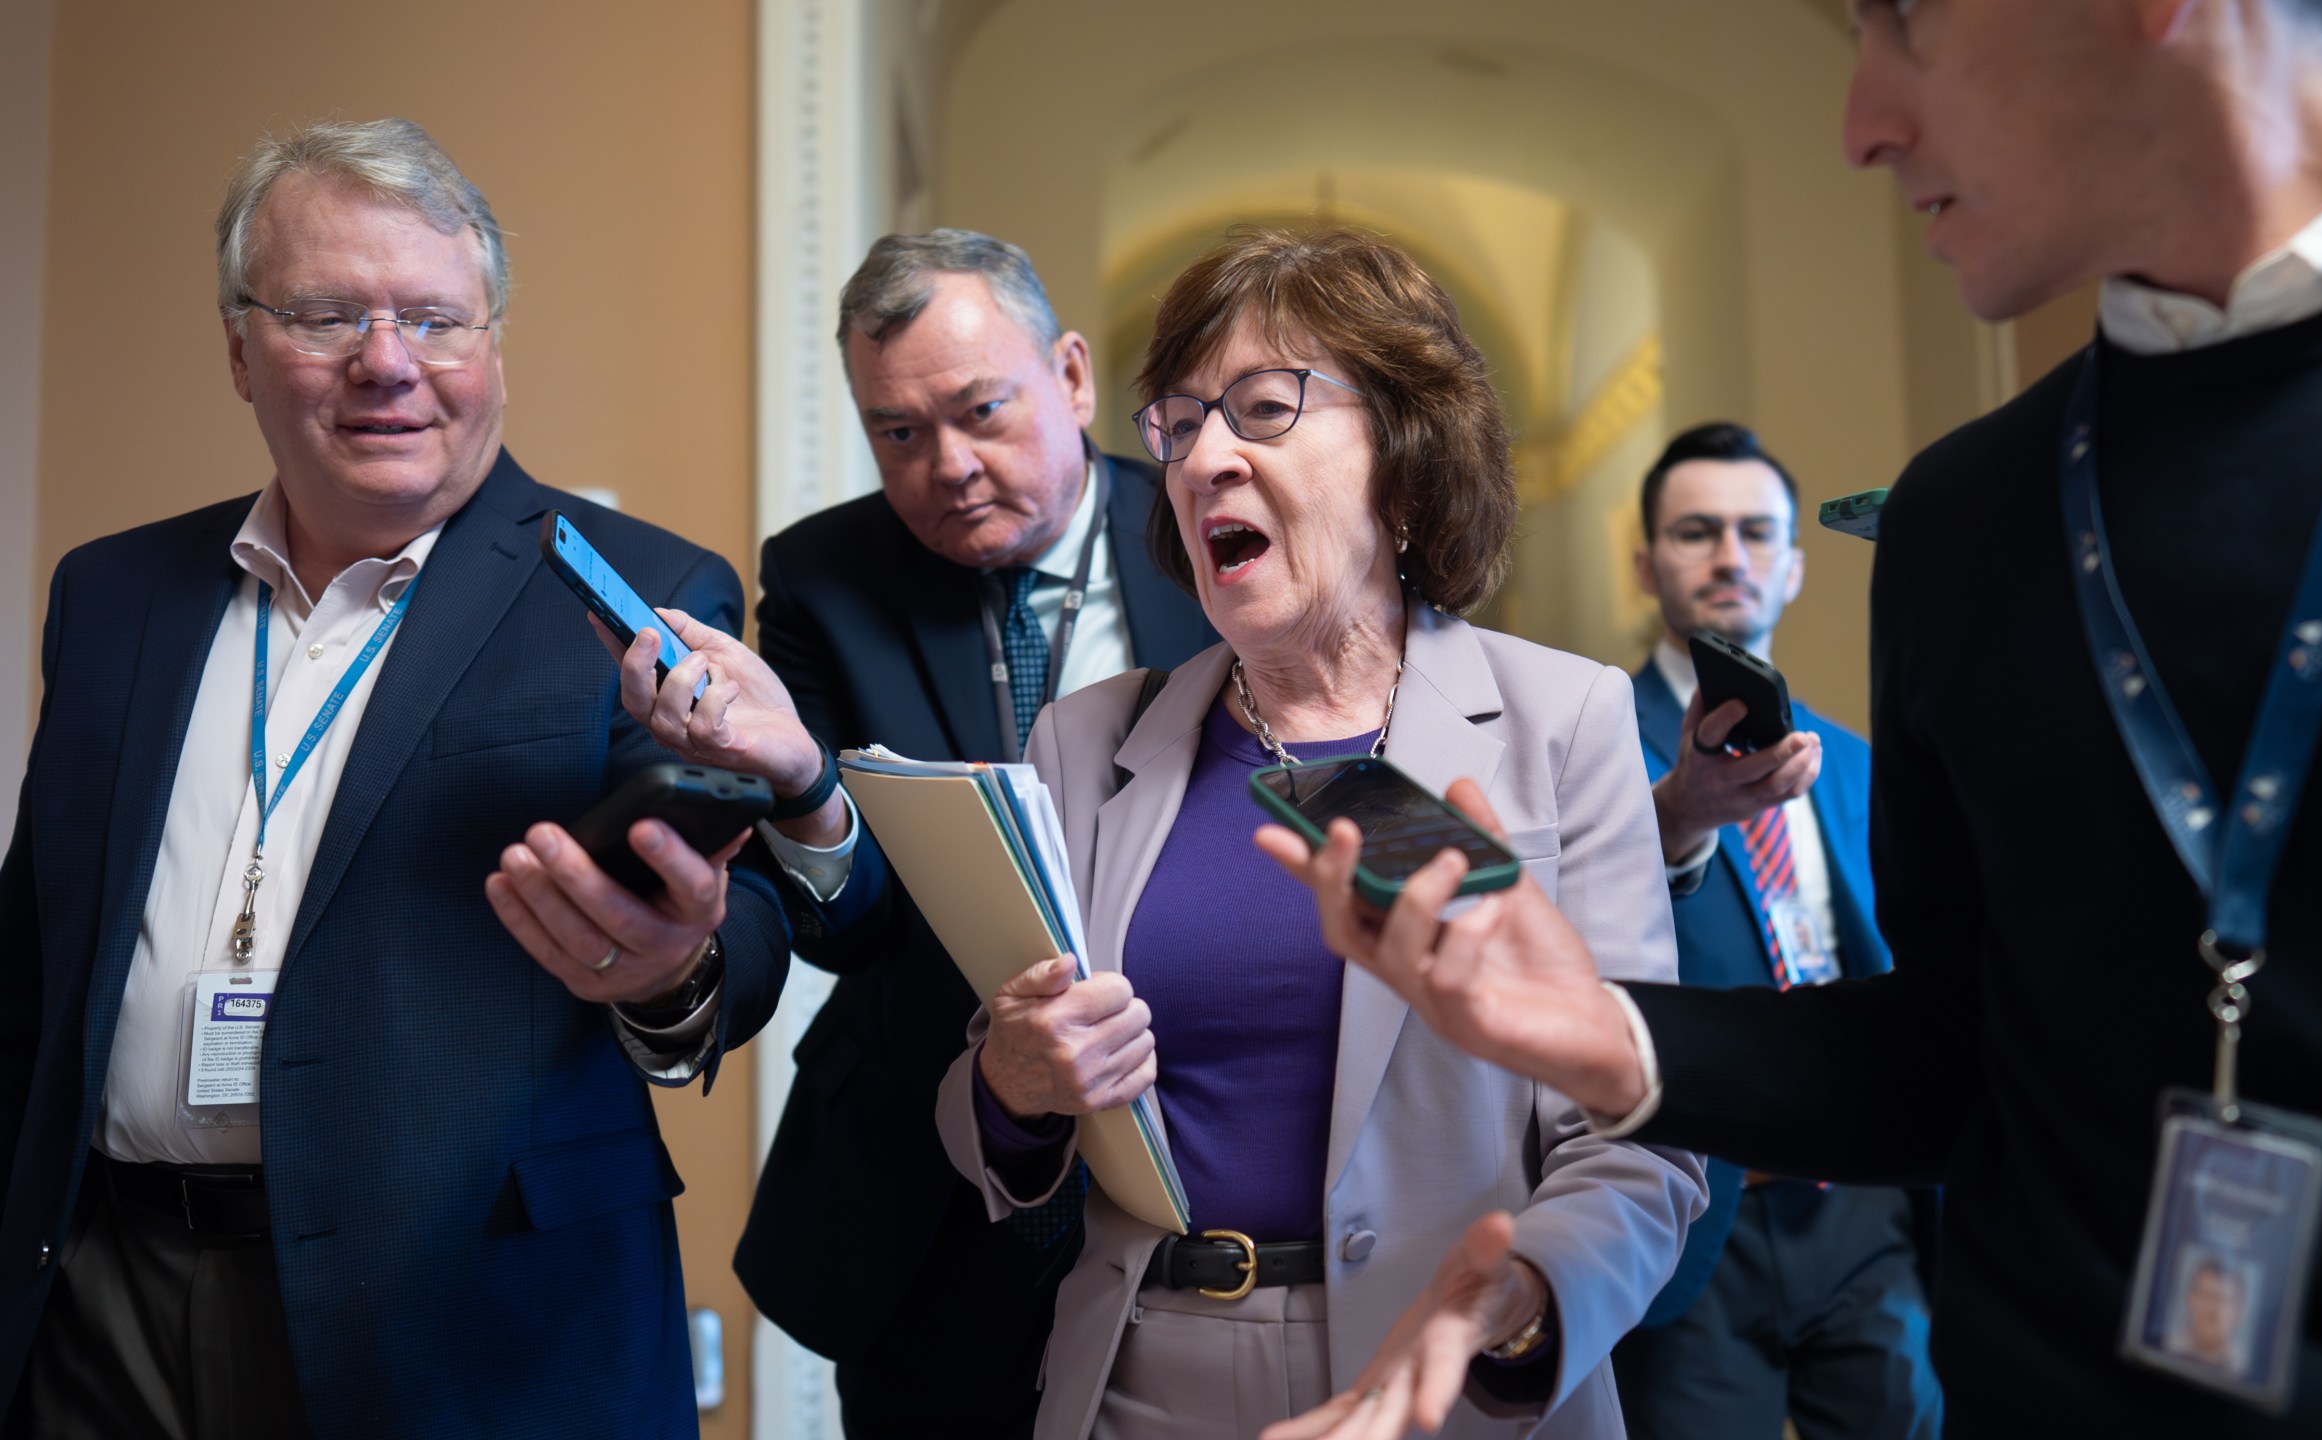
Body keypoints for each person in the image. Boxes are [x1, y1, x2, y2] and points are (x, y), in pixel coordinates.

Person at [1262, 1, 2322, 1434]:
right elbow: (1959, 1057)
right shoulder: (1967, 516)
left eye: (1902, 24)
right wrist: (1618, 1038)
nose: (1859, 120)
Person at [0, 118, 794, 1438]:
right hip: (101, 1304)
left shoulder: (636, 591)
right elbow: (37, 955)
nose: (387, 364)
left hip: (463, 1333)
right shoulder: (111, 595)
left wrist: (670, 971)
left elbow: (750, 927)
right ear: (239, 346)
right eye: (326, 315)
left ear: (493, 348)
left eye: (434, 320)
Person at [928, 227, 1704, 1440]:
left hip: (1450, 1393)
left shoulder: (1563, 723)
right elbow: (992, 1106)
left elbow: (1641, 1140)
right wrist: (1012, 1087)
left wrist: (1514, 1303)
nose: (1201, 463)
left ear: (1403, 455)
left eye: (1262, 408)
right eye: (1178, 426)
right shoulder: (1083, 744)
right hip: (1137, 1387)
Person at [614, 229, 1217, 1438]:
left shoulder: (1209, 537)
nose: (946, 465)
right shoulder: (827, 580)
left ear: (1075, 378)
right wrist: (798, 781)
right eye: (897, 433)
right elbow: (849, 924)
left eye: (981, 411)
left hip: (1192, 1152)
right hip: (926, 1200)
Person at [1610, 423, 1940, 1440]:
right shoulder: (1589, 741)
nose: (1728, 556)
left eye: (1756, 533)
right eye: (1696, 532)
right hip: (1701, 1202)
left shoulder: (1852, 762)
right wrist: (1677, 818)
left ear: (1794, 565)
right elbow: (1580, 947)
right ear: (1644, 563)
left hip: (1862, 1203)